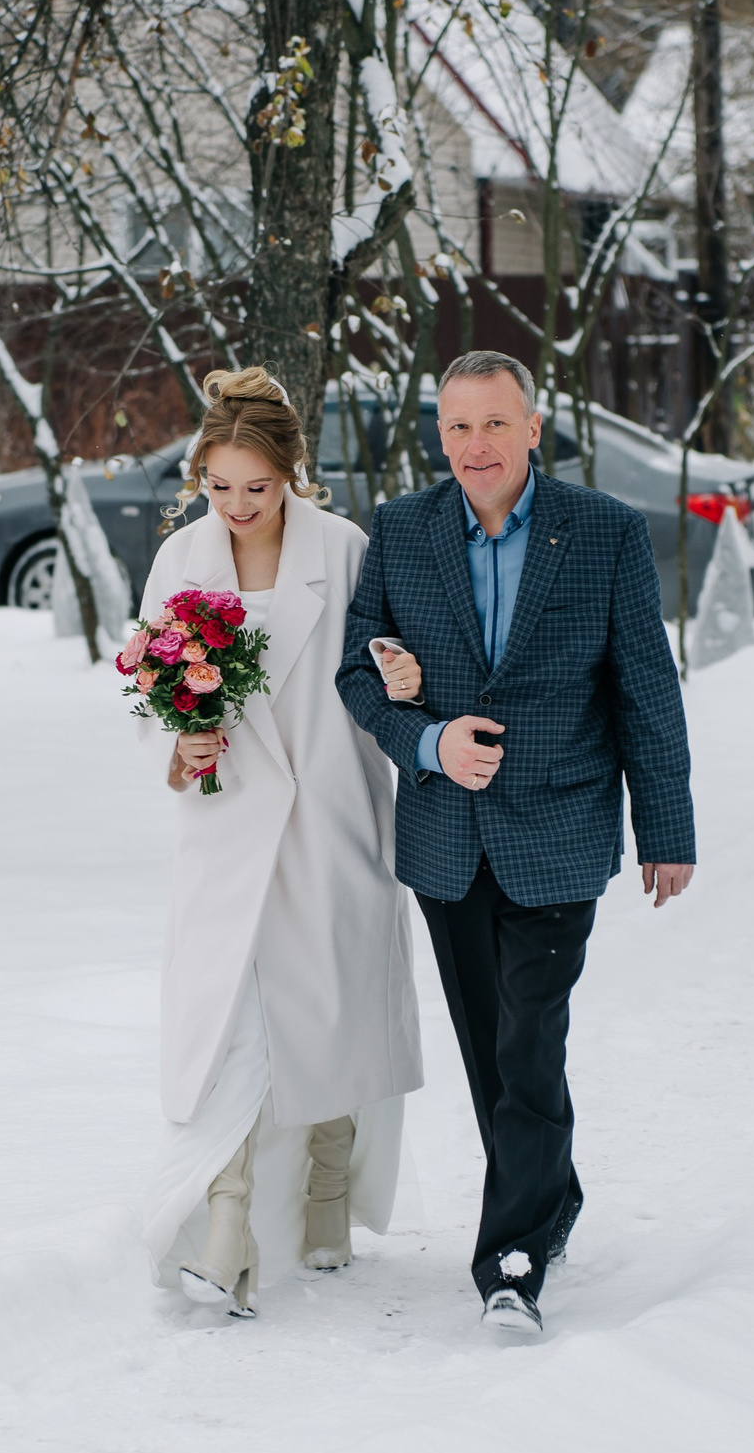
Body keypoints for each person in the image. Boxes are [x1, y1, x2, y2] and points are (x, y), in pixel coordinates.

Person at [336, 350, 695, 1335]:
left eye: (494, 424)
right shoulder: (403, 530)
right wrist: (425, 741)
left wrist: (665, 827)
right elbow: (356, 673)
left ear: (534, 428)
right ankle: (554, 1192)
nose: (475, 445)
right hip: (446, 839)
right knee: (492, 1054)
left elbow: (645, 694)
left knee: (530, 1040)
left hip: (560, 831)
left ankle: (513, 1262)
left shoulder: (606, 535)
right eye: (456, 426)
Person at [138, 366, 425, 1318]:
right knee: (230, 1024)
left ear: (292, 472)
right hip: (226, 824)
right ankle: (227, 1231)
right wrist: (182, 741)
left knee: (330, 1004)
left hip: (331, 809)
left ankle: (328, 1193)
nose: (237, 506)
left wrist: (405, 672)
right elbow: (150, 697)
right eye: (218, 488)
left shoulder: (343, 550)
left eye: (256, 488)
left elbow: (386, 668)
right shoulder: (182, 560)